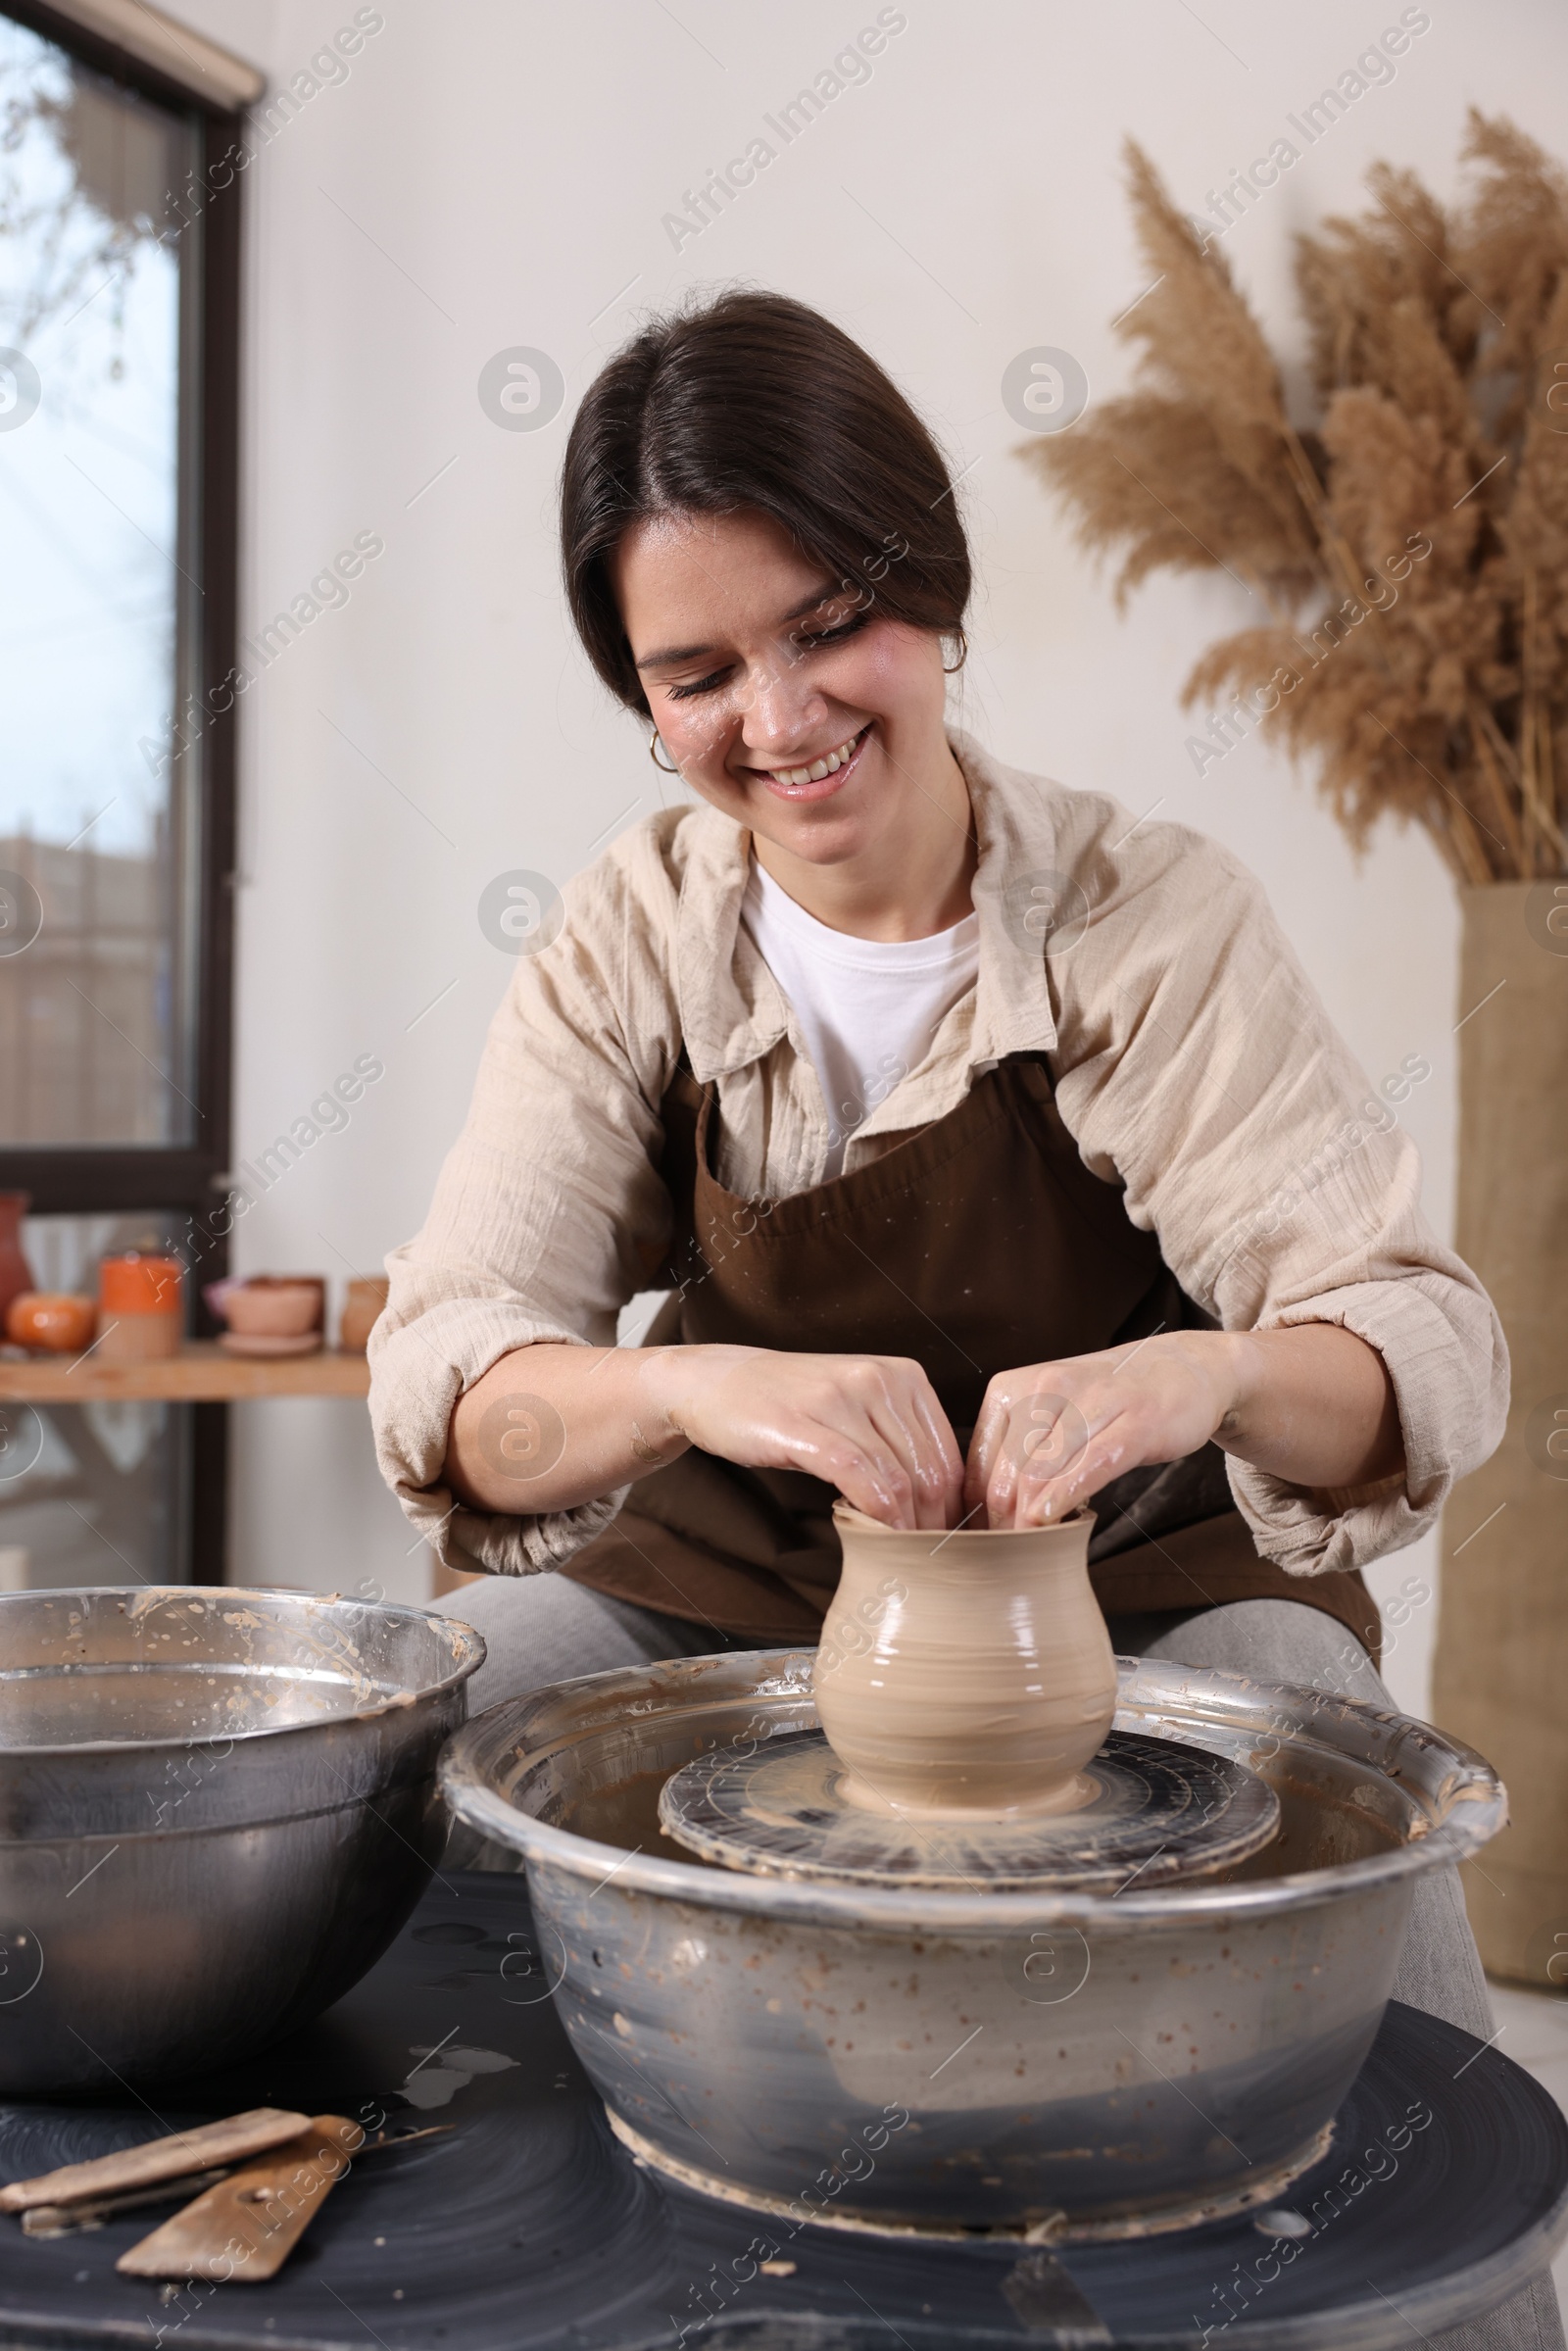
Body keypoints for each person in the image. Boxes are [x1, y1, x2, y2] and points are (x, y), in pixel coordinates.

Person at [368, 291, 1555, 2351]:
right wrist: (688, 1381)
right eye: (695, 672)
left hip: (1139, 1592)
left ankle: (1441, 2312)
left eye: (828, 621)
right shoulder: (629, 942)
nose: (779, 714)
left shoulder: (1138, 919)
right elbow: (458, 1382)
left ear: (930, 587)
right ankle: (485, 2271)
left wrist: (1197, 1370)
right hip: (726, 1584)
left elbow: (1417, 1351)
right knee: (434, 1718)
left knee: (1339, 1775)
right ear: (641, 701)